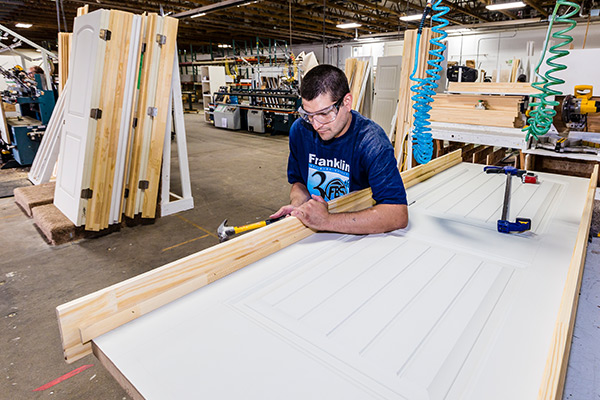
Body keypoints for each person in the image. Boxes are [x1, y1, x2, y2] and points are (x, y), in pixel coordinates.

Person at [271, 64, 408, 234]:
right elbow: (299, 182)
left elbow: (397, 214)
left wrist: (327, 221)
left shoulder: (372, 142)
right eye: (308, 115)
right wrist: (298, 206)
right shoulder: (300, 130)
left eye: (324, 113)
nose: (316, 125)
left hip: (357, 231)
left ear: (347, 102)